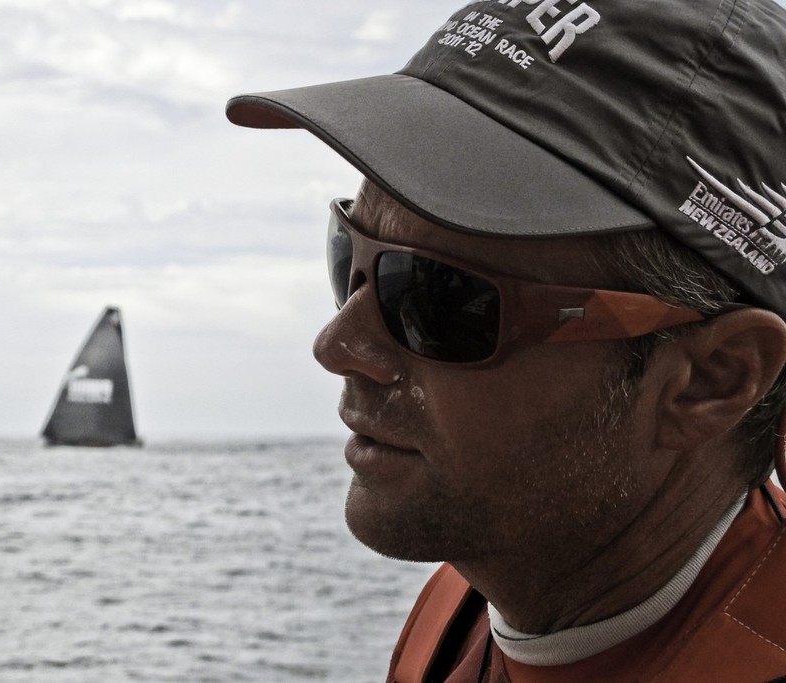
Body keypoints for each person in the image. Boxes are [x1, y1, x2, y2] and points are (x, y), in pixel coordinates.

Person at [226, 0, 786, 681]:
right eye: (350, 253)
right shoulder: (468, 602)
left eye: (440, 296)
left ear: (713, 379)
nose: (338, 344)